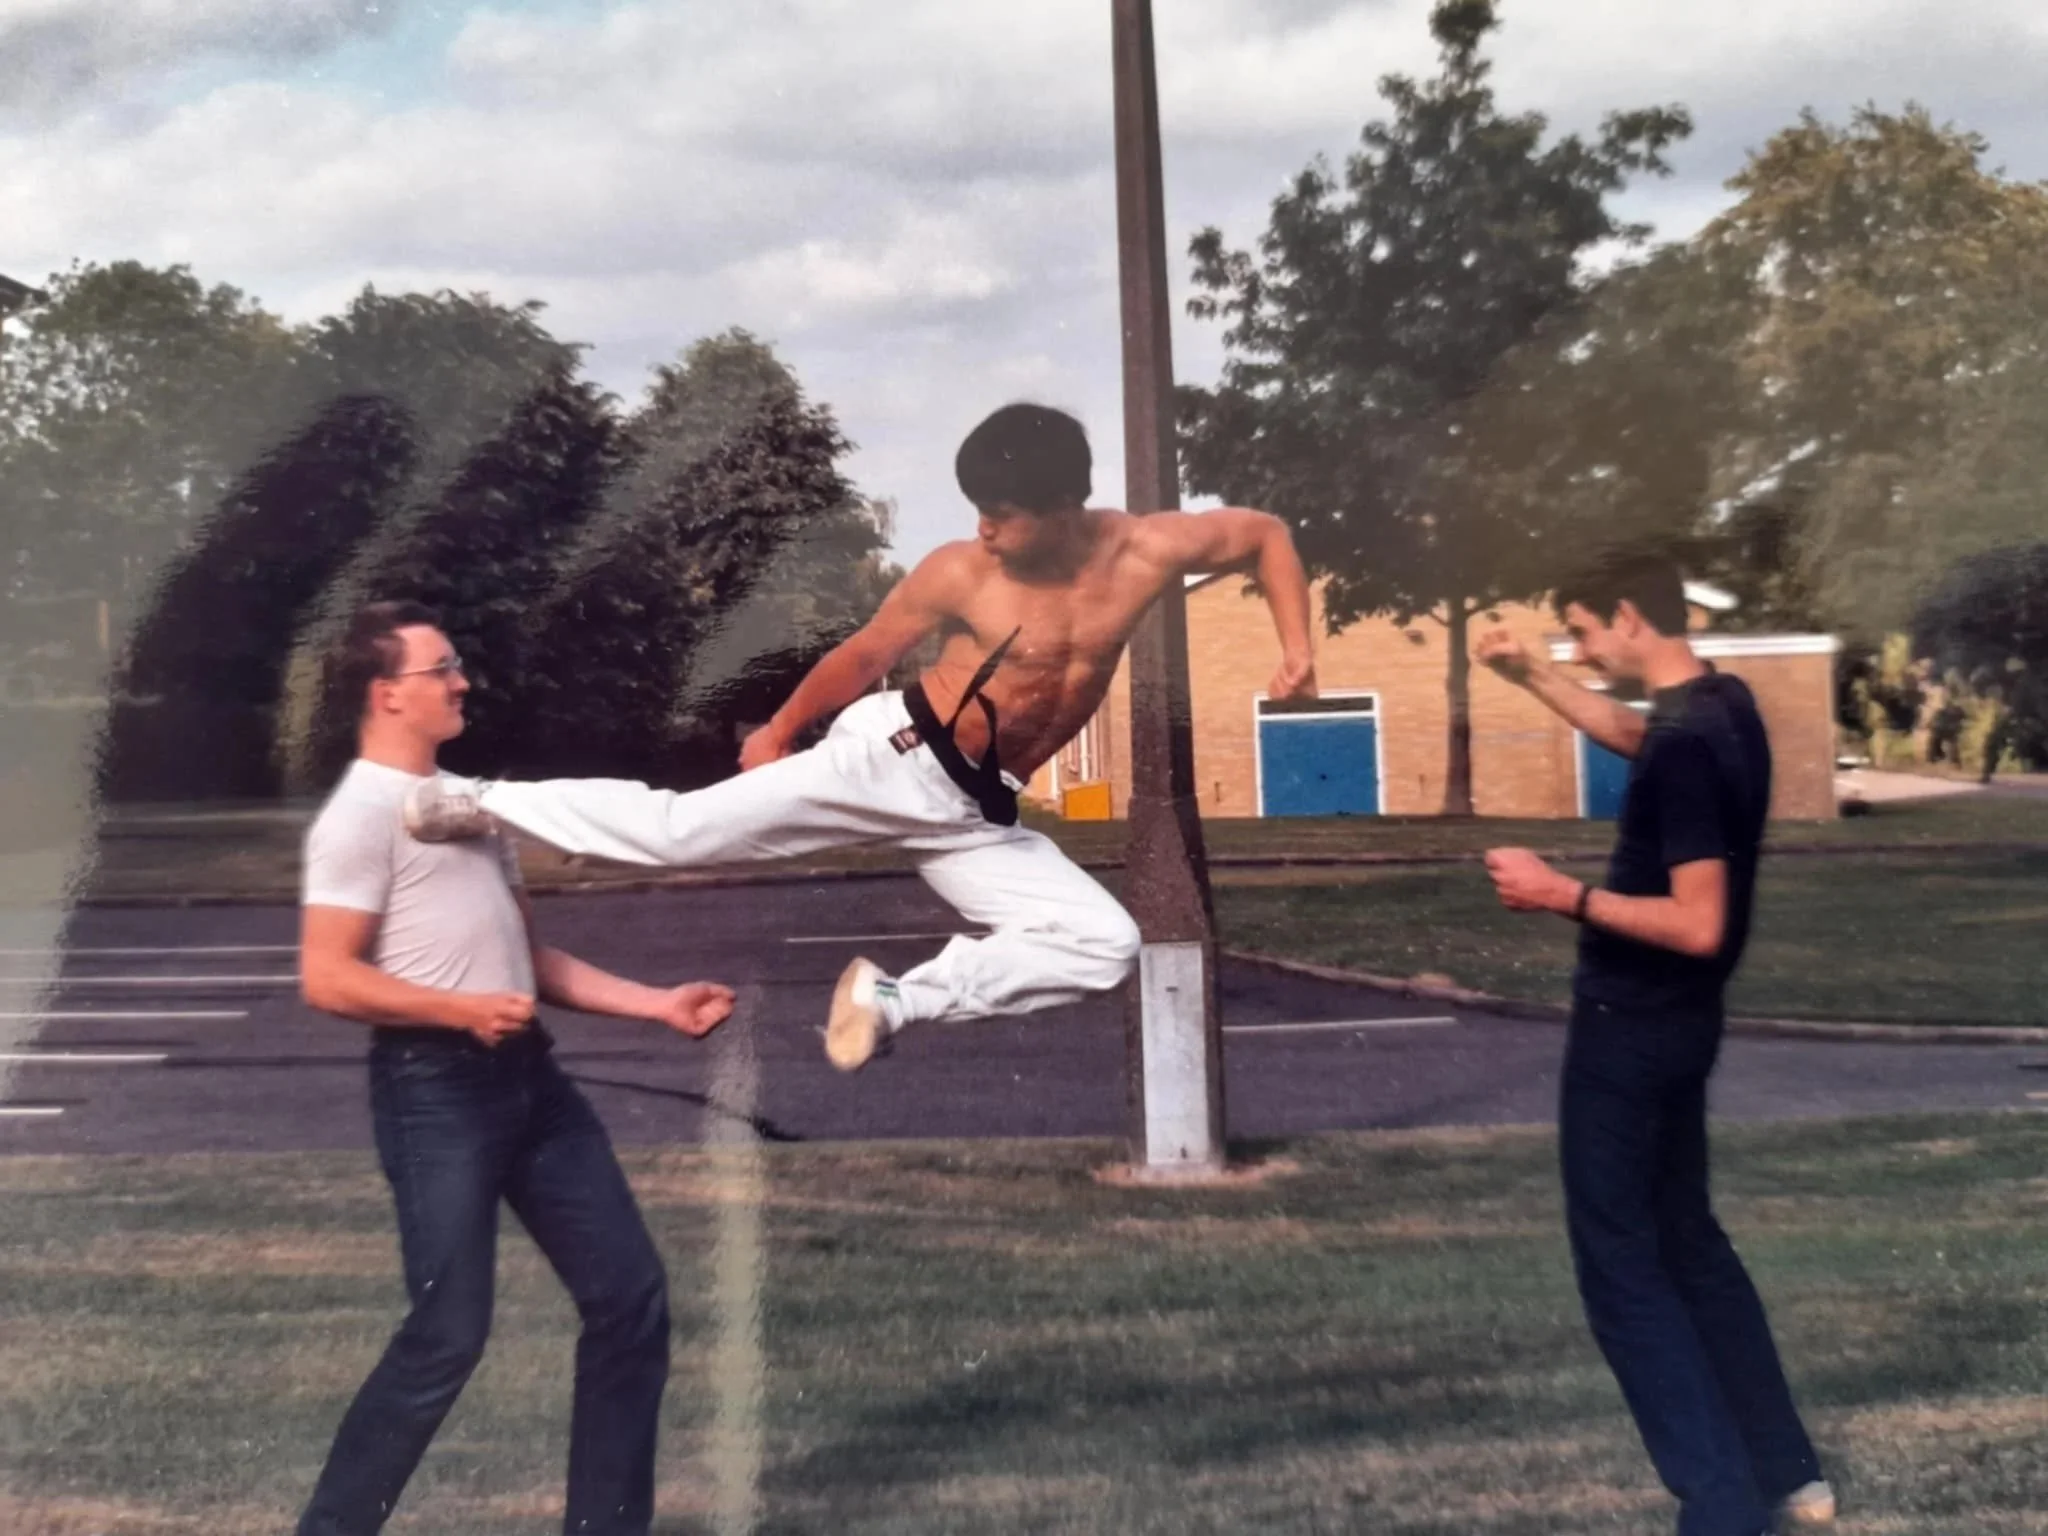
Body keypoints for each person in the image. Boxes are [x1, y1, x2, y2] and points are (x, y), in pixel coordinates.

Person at [404, 402, 1318, 1072]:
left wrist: (1298, 647)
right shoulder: (961, 571)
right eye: (977, 509)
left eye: (1003, 512)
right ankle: (472, 800)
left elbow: (1268, 534)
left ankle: (892, 1000)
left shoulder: (1151, 550)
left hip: (974, 810)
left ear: (1066, 503)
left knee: (1101, 942)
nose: (982, 527)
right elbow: (865, 650)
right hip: (895, 758)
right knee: (680, 831)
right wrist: (780, 729)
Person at [295, 600, 735, 1536]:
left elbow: (527, 964)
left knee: (631, 1301)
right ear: (386, 694)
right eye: (441, 669)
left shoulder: (476, 808)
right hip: (434, 1091)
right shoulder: (358, 819)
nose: (462, 681)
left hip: (533, 1086)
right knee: (447, 1336)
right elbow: (326, 976)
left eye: (457, 665)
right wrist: (457, 1010)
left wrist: (656, 1002)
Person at [1475, 552, 1834, 1536]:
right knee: (1688, 1244)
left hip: (1627, 1029)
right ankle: (1789, 1476)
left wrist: (1560, 895)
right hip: (1682, 1029)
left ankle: (1720, 1511)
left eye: (1585, 633)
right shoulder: (1721, 708)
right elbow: (1634, 735)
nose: (1583, 651)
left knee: (1621, 1273)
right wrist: (1533, 677)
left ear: (1628, 618)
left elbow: (1696, 923)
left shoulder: (1684, 743)